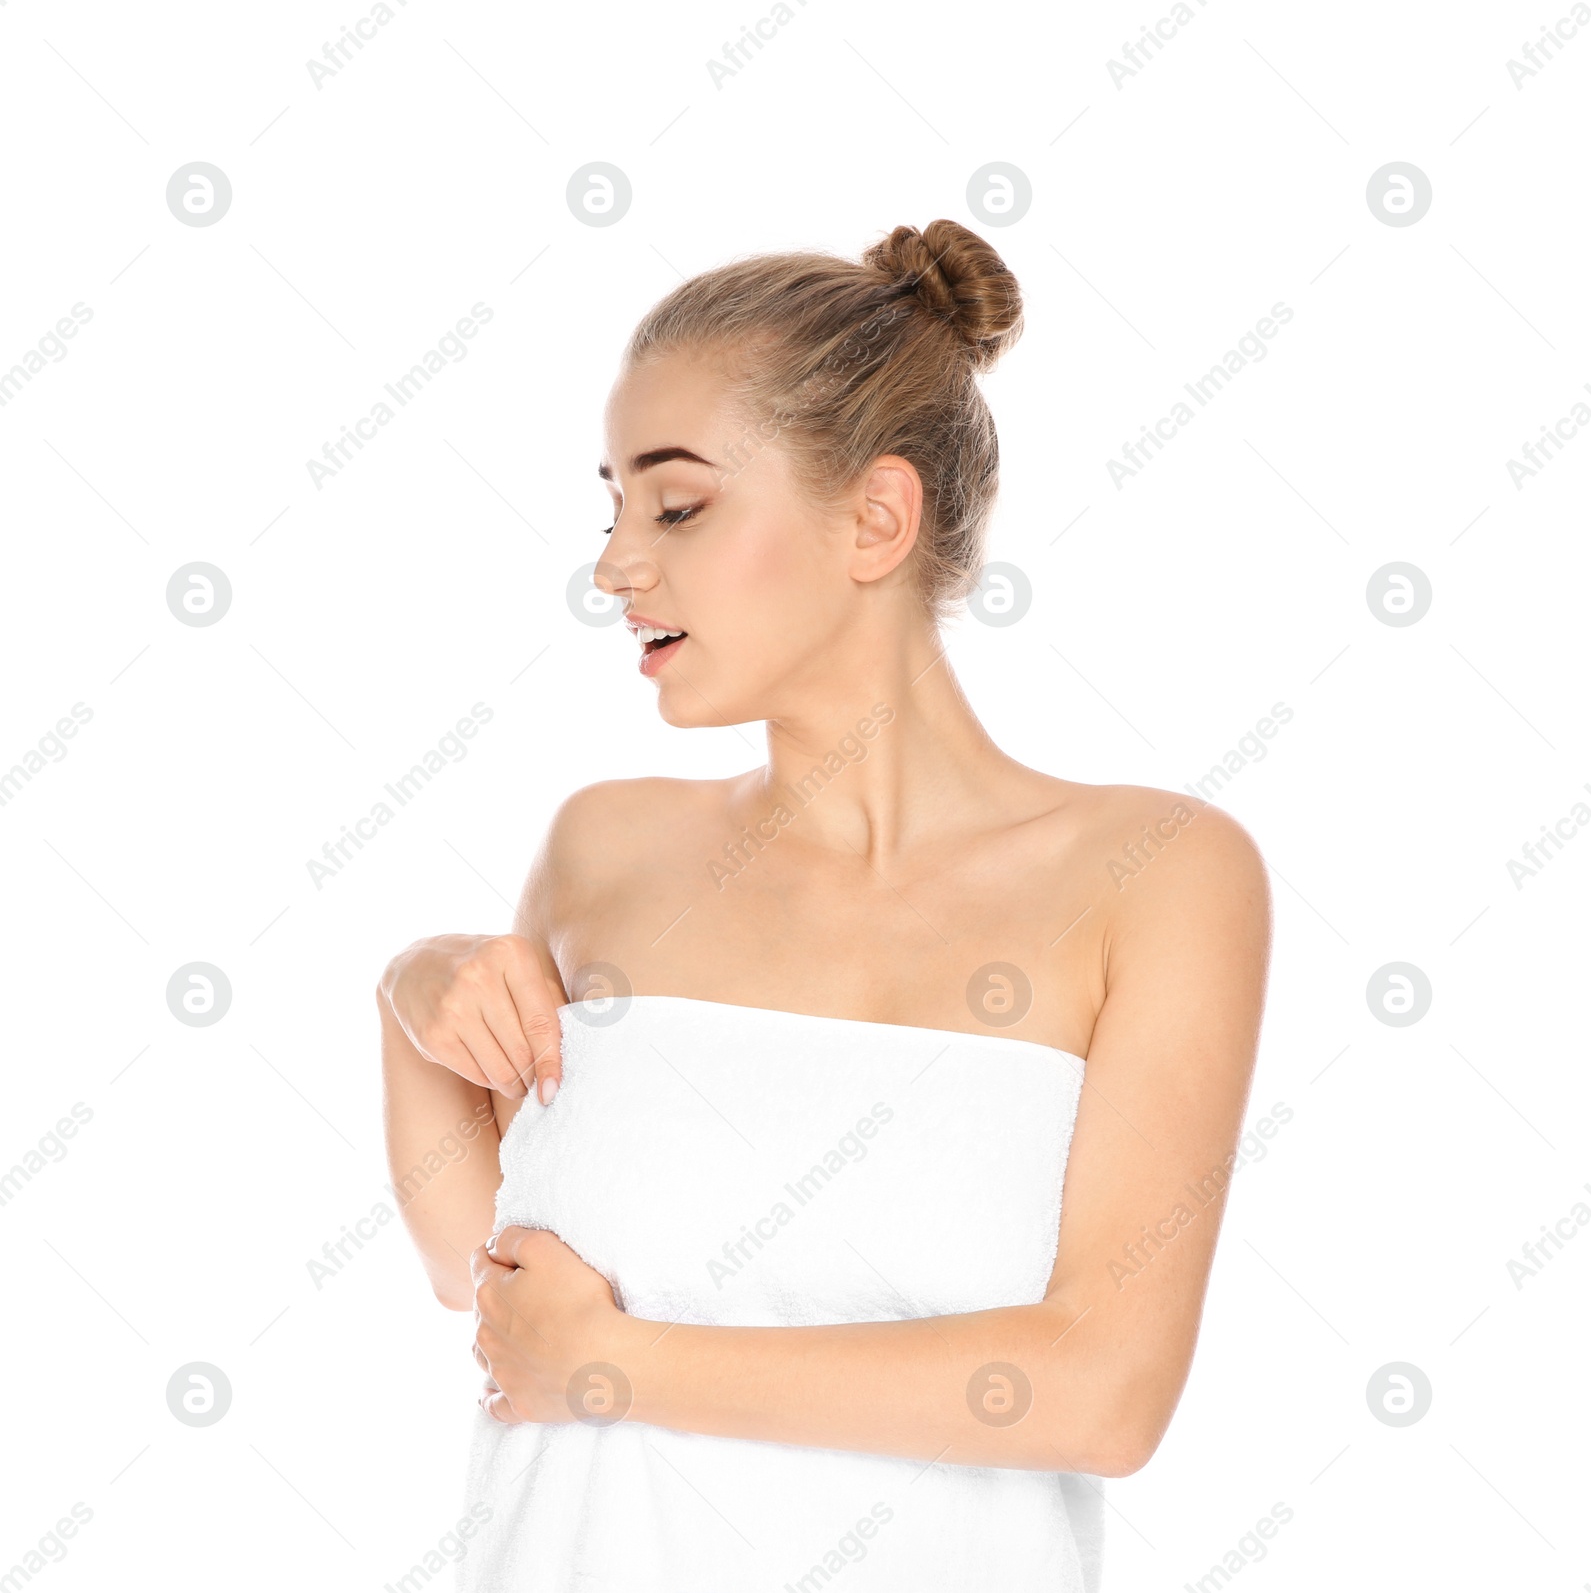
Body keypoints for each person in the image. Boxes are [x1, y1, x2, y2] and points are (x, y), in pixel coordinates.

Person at [377, 218, 1271, 1591]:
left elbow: (1101, 1394)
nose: (616, 564)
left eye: (676, 507)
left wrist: (627, 1368)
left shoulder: (1154, 877)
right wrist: (410, 997)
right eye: (609, 509)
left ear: (876, 519)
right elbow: (477, 1279)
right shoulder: (604, 849)